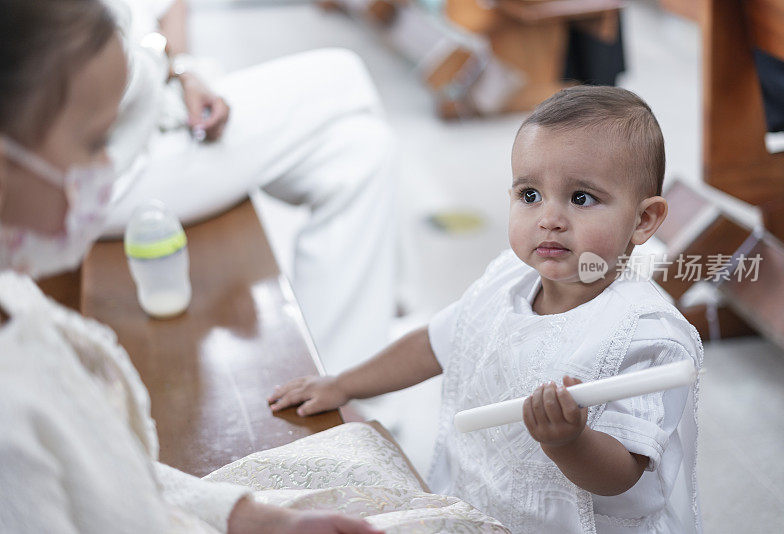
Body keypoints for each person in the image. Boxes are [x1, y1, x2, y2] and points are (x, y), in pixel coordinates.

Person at [0, 1, 507, 533]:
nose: (106, 163)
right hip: (152, 115)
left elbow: (112, 469)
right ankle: (350, 385)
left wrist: (254, 519)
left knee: (362, 146)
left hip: (160, 90)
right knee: (346, 84)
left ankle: (338, 384)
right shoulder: (14, 416)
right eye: (97, 142)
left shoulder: (21, 309)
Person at [270, 86, 704, 533]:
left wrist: (570, 442)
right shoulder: (507, 280)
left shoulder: (646, 334)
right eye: (530, 194)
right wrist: (343, 385)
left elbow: (624, 473)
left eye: (581, 198)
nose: (549, 218)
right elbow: (435, 344)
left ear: (644, 219)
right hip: (483, 509)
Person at [102, 0, 396, 375]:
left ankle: (338, 380)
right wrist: (166, 60)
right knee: (345, 74)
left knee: (363, 148)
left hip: (153, 113)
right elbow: (112, 77)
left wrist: (184, 71)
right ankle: (364, 359)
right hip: (112, 167)